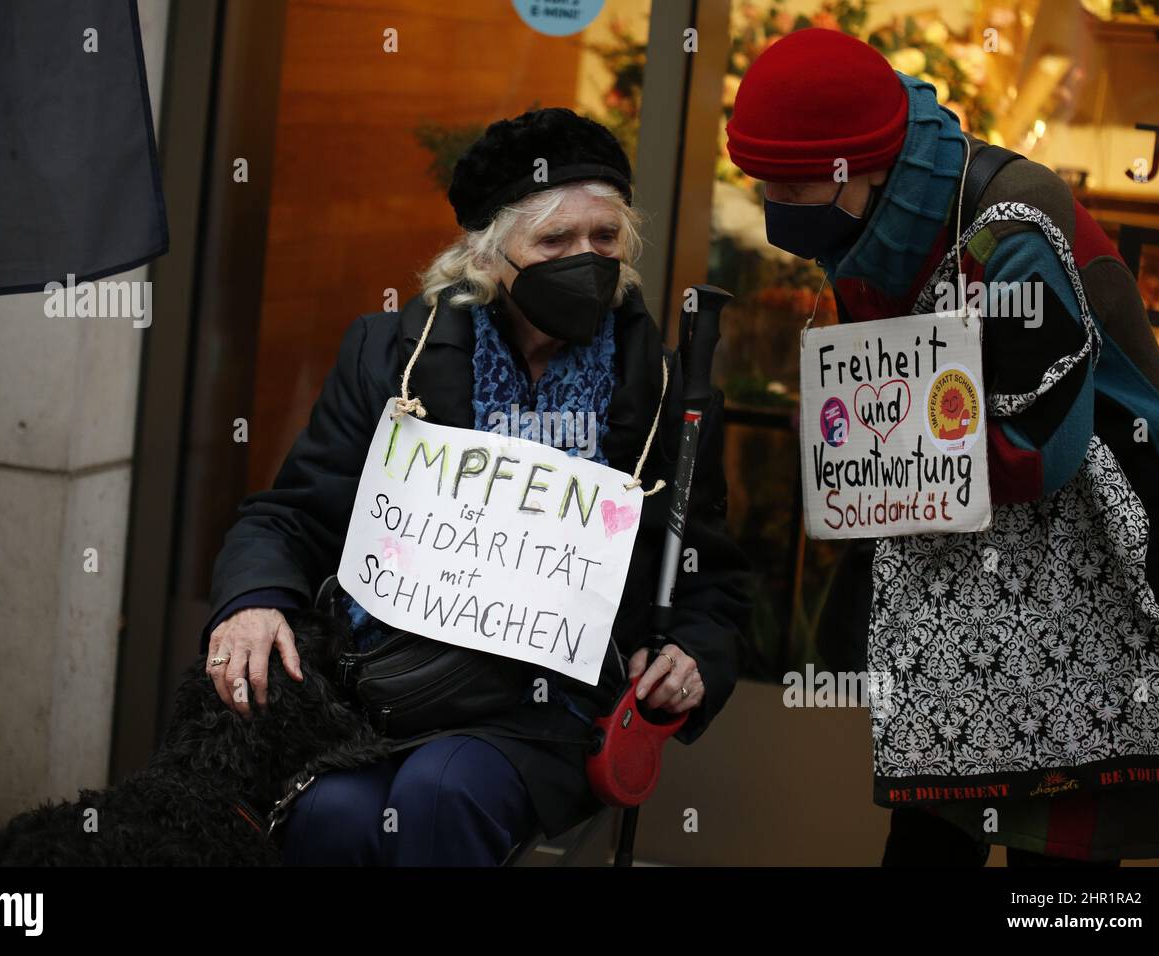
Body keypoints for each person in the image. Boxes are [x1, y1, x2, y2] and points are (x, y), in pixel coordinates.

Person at [201, 107, 752, 866]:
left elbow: (710, 579)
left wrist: (691, 654)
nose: (585, 258)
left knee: (441, 791)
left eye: (604, 237)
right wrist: (252, 602)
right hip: (386, 680)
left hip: (548, 707)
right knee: (331, 816)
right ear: (489, 256)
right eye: (554, 241)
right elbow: (293, 514)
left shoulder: (660, 388)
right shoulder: (390, 355)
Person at [726, 28, 1159, 865]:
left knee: (1061, 856)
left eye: (790, 185)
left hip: (1088, 576)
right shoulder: (874, 227)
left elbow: (1033, 451)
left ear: (857, 166)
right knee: (931, 833)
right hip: (960, 594)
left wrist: (871, 450)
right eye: (764, 184)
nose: (774, 208)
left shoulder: (1012, 225)